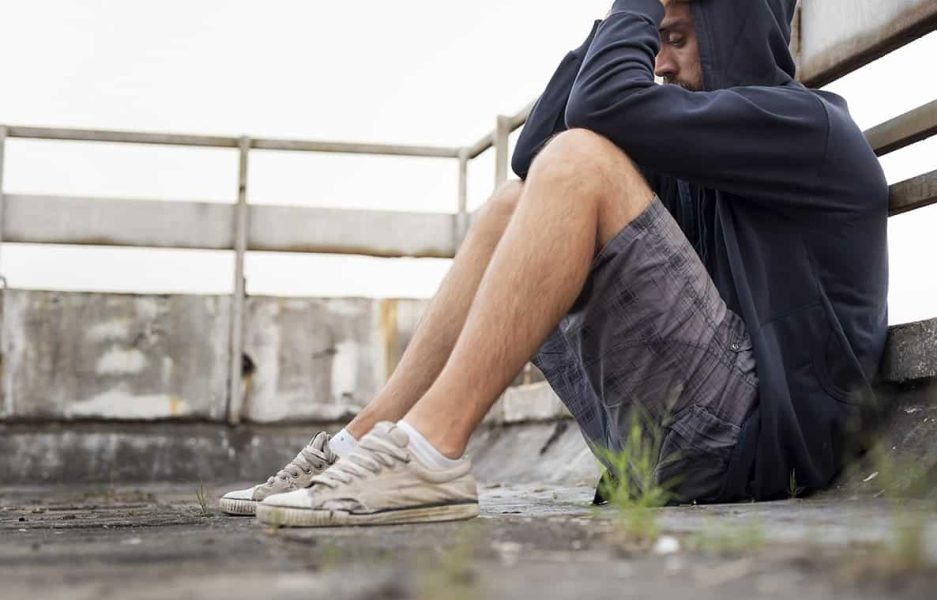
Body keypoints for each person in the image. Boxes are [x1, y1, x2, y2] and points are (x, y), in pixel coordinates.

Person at [220, 0, 888, 527]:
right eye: (656, 41)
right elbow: (534, 152)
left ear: (736, 27)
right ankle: (367, 440)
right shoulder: (698, 141)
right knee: (518, 200)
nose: (658, 63)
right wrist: (626, 18)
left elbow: (589, 123)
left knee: (581, 164)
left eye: (678, 39)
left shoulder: (806, 128)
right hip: (669, 441)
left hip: (764, 440)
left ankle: (430, 454)